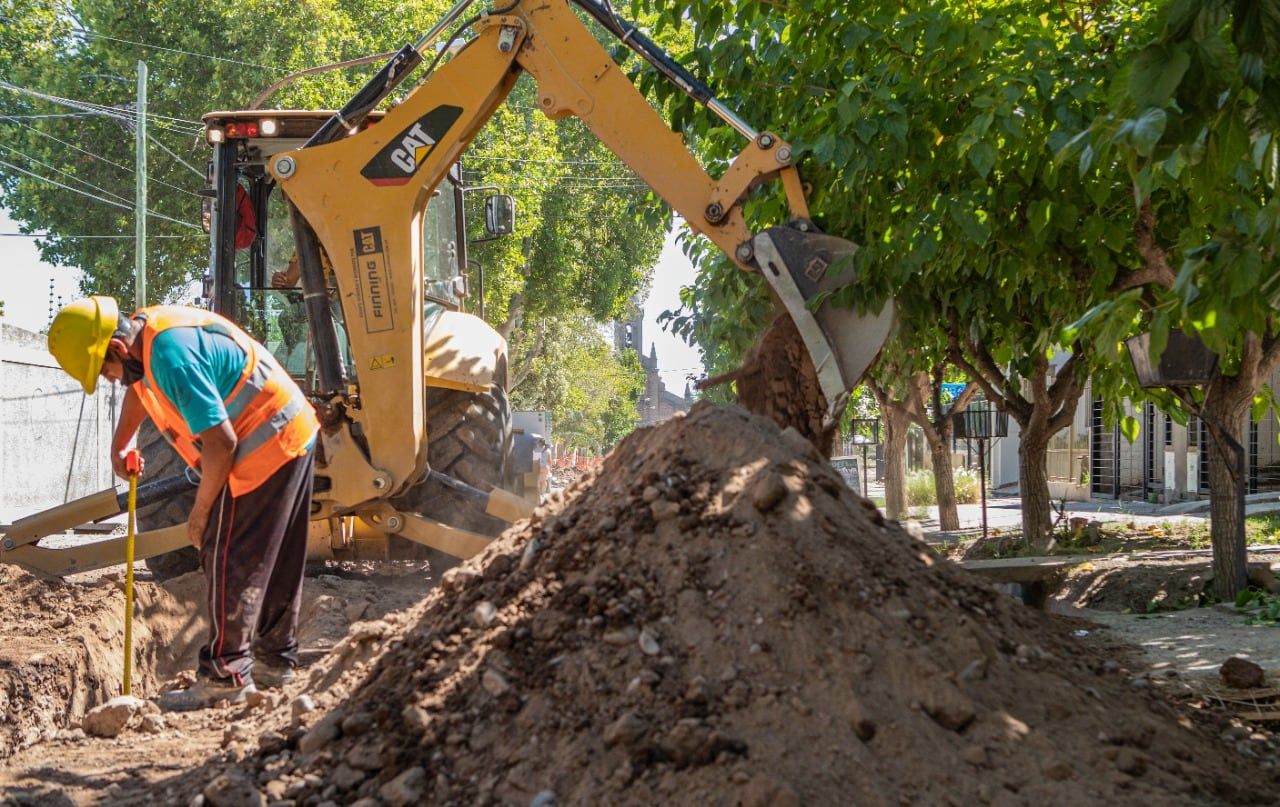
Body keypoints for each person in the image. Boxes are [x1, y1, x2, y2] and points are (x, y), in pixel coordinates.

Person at [47, 296, 319, 711]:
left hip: (261, 442)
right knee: (274, 556)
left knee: (225, 551)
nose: (112, 380)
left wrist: (201, 510)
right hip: (292, 428)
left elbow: (221, 443)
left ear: (118, 349)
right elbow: (139, 386)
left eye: (107, 371)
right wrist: (120, 444)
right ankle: (273, 661)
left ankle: (226, 676)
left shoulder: (172, 359)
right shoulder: (148, 333)